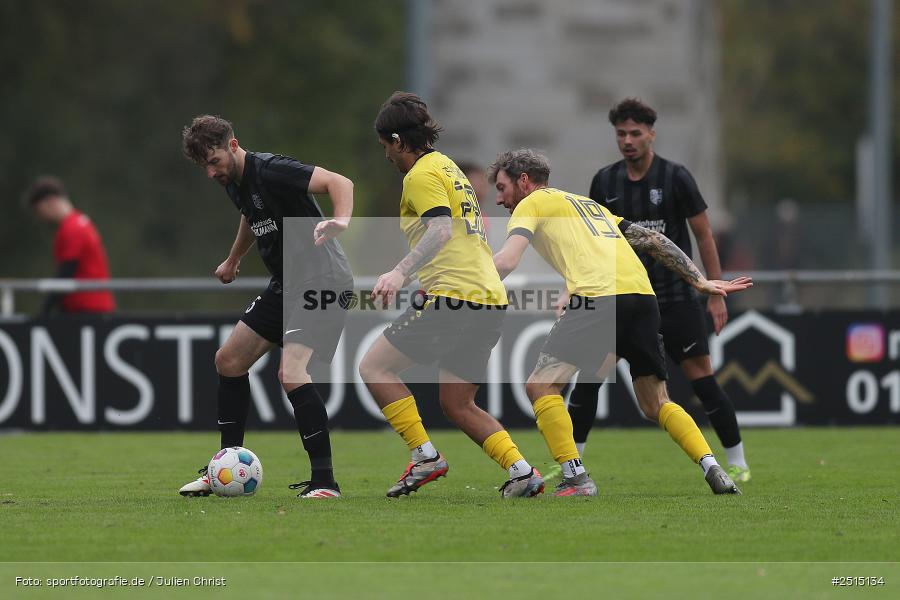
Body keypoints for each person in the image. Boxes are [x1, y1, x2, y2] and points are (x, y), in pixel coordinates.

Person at [490, 148, 751, 496]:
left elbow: (507, 261)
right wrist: (698, 280)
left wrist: (461, 283)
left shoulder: (531, 203)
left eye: (502, 187)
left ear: (524, 181)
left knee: (541, 386)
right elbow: (654, 240)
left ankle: (576, 478)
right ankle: (712, 466)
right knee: (656, 403)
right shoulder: (590, 206)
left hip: (599, 298)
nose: (499, 199)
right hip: (642, 298)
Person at [358, 91, 544, 498]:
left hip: (455, 297)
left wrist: (399, 272)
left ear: (398, 141)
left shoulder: (420, 175)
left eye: (386, 145)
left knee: (374, 367)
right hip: (488, 298)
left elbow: (441, 230)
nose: (386, 155)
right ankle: (522, 472)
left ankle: (425, 456)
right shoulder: (448, 166)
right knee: (458, 403)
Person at [567, 98, 752, 483]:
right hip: (624, 298)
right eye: (621, 134)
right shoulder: (604, 182)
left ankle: (738, 462)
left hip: (674, 297)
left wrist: (714, 292)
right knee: (589, 376)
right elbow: (592, 242)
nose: (628, 140)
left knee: (702, 378)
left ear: (651, 134)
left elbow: (704, 235)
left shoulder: (676, 177)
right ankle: (571, 464)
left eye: (635, 133)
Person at [179, 115, 354, 499]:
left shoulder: (273, 169)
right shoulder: (233, 181)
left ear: (233, 146)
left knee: (291, 372)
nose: (211, 173)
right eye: (204, 166)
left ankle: (325, 482)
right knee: (228, 360)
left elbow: (340, 182)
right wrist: (233, 259)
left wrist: (340, 220)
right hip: (286, 283)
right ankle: (222, 467)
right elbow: (251, 214)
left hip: (323, 280)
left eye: (214, 161)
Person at [24, 176, 116, 315]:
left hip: (86, 308)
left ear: (50, 202)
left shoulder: (72, 228)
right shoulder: (80, 222)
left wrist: (44, 311)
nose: (41, 217)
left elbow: (66, 272)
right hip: (91, 305)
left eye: (40, 210)